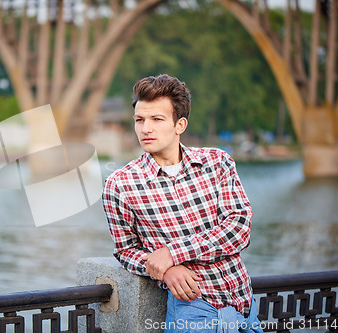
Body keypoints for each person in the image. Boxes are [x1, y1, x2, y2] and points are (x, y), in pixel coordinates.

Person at [102, 74, 262, 332]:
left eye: (157, 119)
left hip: (245, 307)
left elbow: (239, 229)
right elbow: (126, 251)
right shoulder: (120, 185)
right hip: (193, 312)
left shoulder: (217, 163)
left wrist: (173, 253)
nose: (146, 129)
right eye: (139, 120)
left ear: (180, 125)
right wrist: (164, 271)